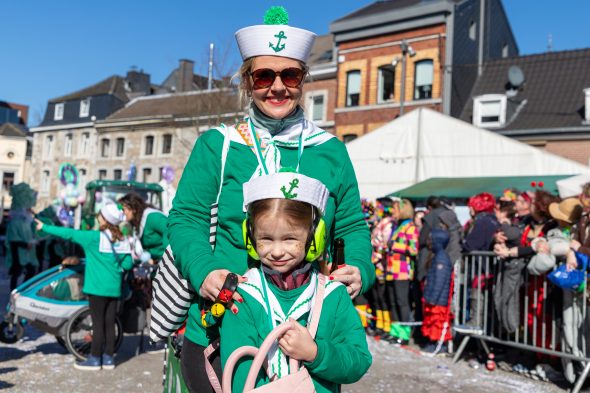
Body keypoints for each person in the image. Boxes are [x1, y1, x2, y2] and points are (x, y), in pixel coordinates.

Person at [167, 7, 374, 392]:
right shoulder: (218, 146)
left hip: (307, 334)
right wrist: (205, 271)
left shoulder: (331, 151)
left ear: (303, 79)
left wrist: (359, 267)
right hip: (222, 327)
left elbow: (351, 224)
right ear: (247, 81)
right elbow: (185, 220)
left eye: (290, 74)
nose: (277, 87)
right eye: (264, 75)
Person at [220, 171, 371, 392]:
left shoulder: (333, 295)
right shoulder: (244, 296)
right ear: (250, 237)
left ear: (315, 237)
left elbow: (358, 361)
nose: (277, 252)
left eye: (290, 239)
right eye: (266, 239)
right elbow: (241, 378)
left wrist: (316, 353)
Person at [35, 203, 133, 371]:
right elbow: (128, 263)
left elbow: (69, 233)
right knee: (109, 323)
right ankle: (109, 358)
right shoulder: (120, 239)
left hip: (97, 288)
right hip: (114, 287)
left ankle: (95, 358)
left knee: (97, 323)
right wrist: (116, 268)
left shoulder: (94, 238)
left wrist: (44, 227)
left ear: (103, 219)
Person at [386, 199, 419, 345]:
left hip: (403, 271)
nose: (392, 212)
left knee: (402, 302)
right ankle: (395, 332)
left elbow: (414, 249)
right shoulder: (398, 226)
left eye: (395, 209)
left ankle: (404, 335)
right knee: (393, 302)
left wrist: (396, 245)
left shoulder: (410, 227)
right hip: (391, 269)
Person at [118, 192, 168, 265]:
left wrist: (166, 258)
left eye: (123, 209)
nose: (122, 213)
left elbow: (170, 230)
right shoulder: (134, 223)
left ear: (133, 209)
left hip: (167, 263)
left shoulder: (152, 217)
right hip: (155, 263)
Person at [6, 183, 39, 291]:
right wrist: (26, 244)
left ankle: (22, 291)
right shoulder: (15, 221)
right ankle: (16, 292)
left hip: (28, 254)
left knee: (31, 271)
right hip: (18, 255)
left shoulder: (27, 221)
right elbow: (13, 239)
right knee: (17, 273)